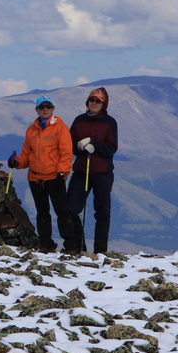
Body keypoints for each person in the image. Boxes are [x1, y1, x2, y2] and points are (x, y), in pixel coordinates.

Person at [8, 95, 80, 253]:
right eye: (42, 107)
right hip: (35, 178)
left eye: (48, 106)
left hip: (55, 176)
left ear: (53, 109)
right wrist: (17, 162)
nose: (45, 109)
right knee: (42, 213)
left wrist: (62, 172)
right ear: (37, 110)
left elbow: (66, 153)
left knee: (62, 212)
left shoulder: (60, 128)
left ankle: (71, 246)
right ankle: (46, 244)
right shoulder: (31, 130)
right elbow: (26, 155)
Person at [67, 87, 118, 254]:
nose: (94, 103)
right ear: (87, 102)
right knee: (70, 208)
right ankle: (77, 247)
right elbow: (70, 145)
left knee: (102, 211)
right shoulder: (79, 120)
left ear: (104, 104)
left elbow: (111, 149)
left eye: (98, 101)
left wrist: (94, 143)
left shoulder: (110, 122)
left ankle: (100, 251)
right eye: (92, 100)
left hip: (103, 172)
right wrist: (80, 146)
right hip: (82, 170)